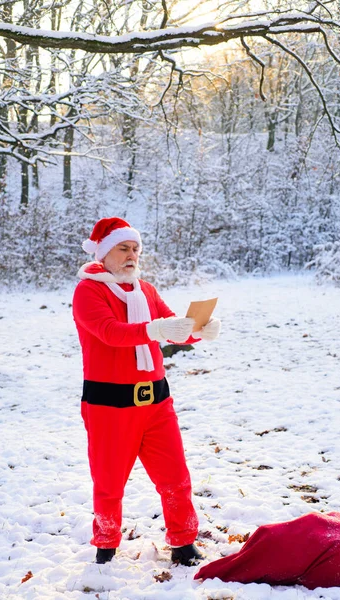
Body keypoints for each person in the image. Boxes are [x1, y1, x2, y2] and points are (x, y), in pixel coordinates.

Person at [72, 217, 221, 566]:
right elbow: (111, 332)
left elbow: (174, 327)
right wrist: (156, 328)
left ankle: (184, 543)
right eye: (123, 248)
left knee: (175, 477)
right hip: (109, 405)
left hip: (156, 401)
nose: (131, 255)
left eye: (135, 249)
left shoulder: (147, 290)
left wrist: (200, 330)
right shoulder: (88, 291)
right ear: (104, 254)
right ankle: (106, 546)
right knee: (109, 483)